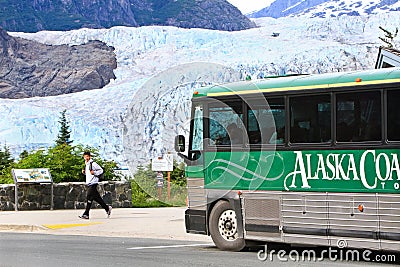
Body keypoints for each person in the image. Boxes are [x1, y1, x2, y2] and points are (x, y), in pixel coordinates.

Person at [79, 151, 112, 220]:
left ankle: (86, 214)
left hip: (93, 183)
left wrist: (94, 172)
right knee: (96, 198)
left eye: (87, 156)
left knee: (88, 196)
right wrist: (84, 173)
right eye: (85, 156)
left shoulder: (93, 164)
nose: (86, 158)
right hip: (89, 183)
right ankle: (107, 208)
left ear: (89, 156)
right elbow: (89, 174)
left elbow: (101, 170)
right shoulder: (86, 164)